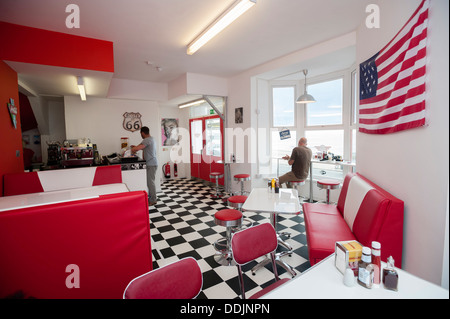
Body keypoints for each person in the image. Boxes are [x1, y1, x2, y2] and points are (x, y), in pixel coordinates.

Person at [131, 126, 158, 205]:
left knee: (150, 183)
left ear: (142, 133)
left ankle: (153, 200)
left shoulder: (147, 140)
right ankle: (151, 198)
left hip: (151, 164)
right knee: (150, 182)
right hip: (151, 163)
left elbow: (137, 148)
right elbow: (139, 146)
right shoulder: (150, 139)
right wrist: (134, 147)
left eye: (140, 133)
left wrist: (132, 150)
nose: (141, 135)